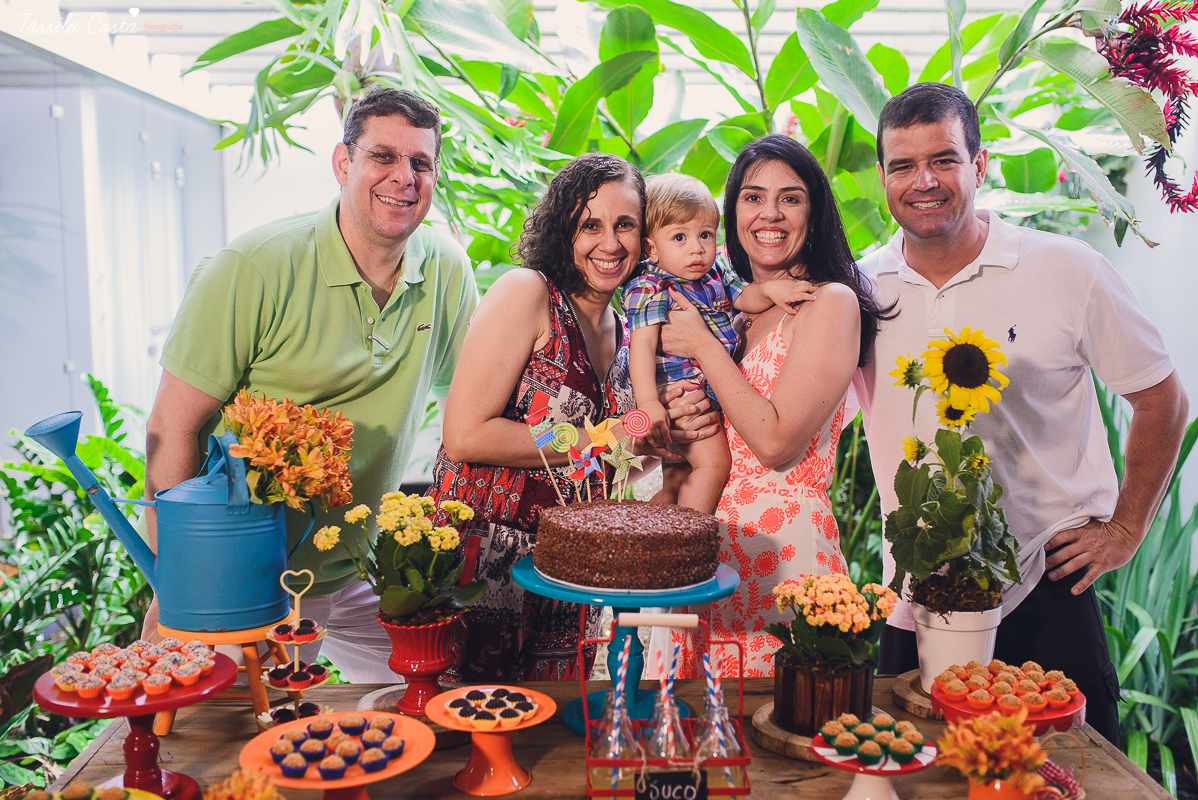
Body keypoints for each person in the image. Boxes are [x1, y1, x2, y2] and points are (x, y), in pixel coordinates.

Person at [853, 82, 1189, 744]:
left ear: (979, 166)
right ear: (883, 178)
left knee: (1076, 774)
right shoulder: (860, 290)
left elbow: (1162, 397)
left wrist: (1126, 528)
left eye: (944, 159)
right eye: (902, 165)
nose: (924, 181)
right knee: (915, 777)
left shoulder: (1067, 270)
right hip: (919, 594)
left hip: (1043, 579)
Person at [142, 88, 479, 681]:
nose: (404, 178)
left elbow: (480, 403)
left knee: (434, 707)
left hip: (359, 568)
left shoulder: (447, 270)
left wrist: (604, 420)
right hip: (243, 580)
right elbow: (172, 428)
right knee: (230, 750)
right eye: (383, 157)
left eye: (421, 163)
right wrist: (179, 583)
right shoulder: (254, 267)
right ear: (343, 164)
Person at [426, 154, 718, 682]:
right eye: (591, 225)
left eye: (624, 225)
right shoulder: (528, 292)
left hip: (567, 574)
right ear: (563, 229)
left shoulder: (629, 327)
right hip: (481, 565)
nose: (610, 244)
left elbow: (616, 459)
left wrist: (668, 427)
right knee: (469, 736)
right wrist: (614, 435)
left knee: (557, 749)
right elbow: (466, 435)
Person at [656, 135, 895, 677]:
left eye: (790, 198)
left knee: (771, 745)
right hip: (698, 557)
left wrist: (700, 346)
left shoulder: (829, 302)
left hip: (780, 557)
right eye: (752, 196)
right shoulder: (732, 310)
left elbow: (776, 443)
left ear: (815, 211)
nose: (770, 213)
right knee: (679, 744)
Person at [623, 173, 816, 513]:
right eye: (679, 237)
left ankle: (654, 532)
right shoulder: (650, 287)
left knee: (678, 476)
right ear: (652, 248)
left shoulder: (715, 274)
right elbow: (641, 345)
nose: (697, 247)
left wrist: (772, 289)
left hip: (705, 390)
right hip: (683, 393)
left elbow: (747, 297)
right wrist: (649, 404)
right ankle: (690, 536)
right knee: (713, 465)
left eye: (705, 235)